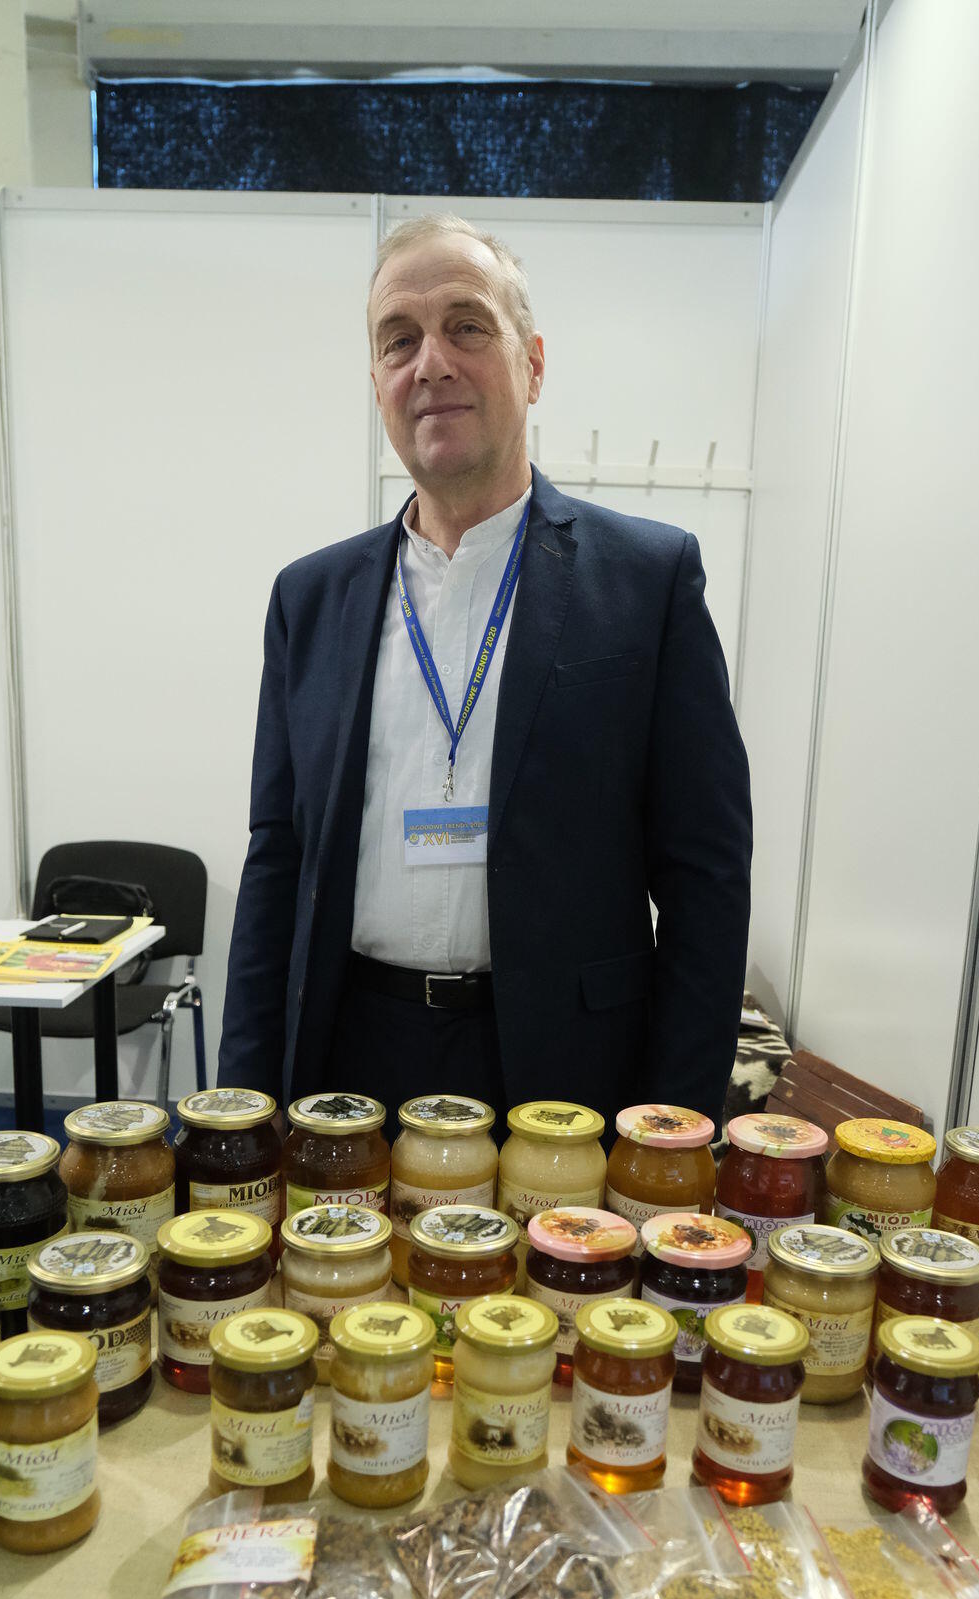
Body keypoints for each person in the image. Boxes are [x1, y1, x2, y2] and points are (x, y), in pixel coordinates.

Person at [218, 213, 751, 1134]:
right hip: (348, 1062)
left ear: (533, 364)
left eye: (466, 326)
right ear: (378, 383)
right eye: (399, 340)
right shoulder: (310, 600)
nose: (431, 363)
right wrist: (241, 1106)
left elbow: (707, 875)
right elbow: (278, 861)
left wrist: (673, 1127)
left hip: (566, 1071)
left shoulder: (646, 581)